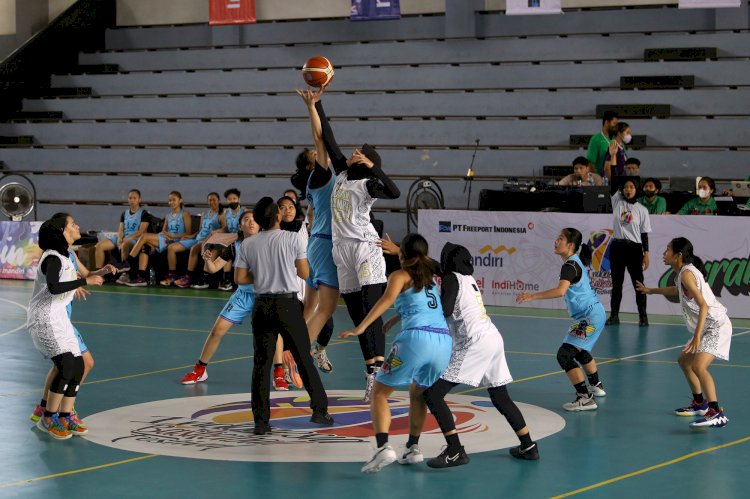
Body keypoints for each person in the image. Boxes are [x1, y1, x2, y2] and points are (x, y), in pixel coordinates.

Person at [314, 87, 401, 402]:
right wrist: (317, 102)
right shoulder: (341, 174)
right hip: (342, 252)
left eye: (359, 152)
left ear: (366, 161)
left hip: (366, 248)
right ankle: (371, 371)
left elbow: (395, 192)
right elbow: (329, 139)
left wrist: (373, 165)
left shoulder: (368, 183)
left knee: (371, 312)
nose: (352, 152)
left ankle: (378, 375)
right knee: (356, 316)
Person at [340, 234, 452, 474]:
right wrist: (396, 318)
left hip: (416, 341)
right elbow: (420, 305)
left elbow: (384, 301)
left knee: (379, 393)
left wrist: (360, 327)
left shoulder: (399, 275)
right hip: (443, 341)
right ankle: (413, 448)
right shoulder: (430, 277)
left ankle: (382, 447)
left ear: (402, 255)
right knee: (418, 393)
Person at [421, 242, 538, 468]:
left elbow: (444, 310)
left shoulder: (450, 279)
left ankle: (455, 450)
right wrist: (408, 254)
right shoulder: (467, 278)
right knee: (500, 396)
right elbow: (438, 268)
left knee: (434, 395)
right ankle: (529, 446)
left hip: (476, 342)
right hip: (493, 337)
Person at [237, 197, 333, 435]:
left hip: (261, 306)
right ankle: (319, 411)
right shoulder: (292, 239)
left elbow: (240, 278)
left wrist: (261, 277)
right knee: (303, 358)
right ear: (278, 216)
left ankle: (261, 422)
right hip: (287, 305)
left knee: (261, 364)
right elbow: (303, 272)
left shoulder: (248, 244)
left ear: (258, 220)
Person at [635, 238, 731, 427]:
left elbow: (703, 305)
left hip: (716, 325)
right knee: (684, 360)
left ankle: (716, 412)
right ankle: (699, 404)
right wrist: (651, 290)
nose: (664, 253)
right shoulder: (682, 274)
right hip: (705, 327)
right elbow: (677, 290)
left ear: (678, 255)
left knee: (699, 367)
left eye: (667, 250)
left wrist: (696, 336)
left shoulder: (687, 273)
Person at [28, 213, 105, 439]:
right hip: (44, 318)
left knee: (79, 365)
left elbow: (73, 278)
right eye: (72, 224)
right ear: (62, 231)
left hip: (59, 317)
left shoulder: (66, 254)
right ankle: (48, 417)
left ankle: (64, 415)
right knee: (66, 365)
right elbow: (53, 287)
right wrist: (84, 281)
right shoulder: (52, 257)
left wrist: (95, 275)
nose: (77, 225)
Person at [516, 228, 607, 412]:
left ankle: (585, 398)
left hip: (589, 317)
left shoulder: (569, 266)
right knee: (579, 350)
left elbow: (560, 291)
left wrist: (532, 297)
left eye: (560, 239)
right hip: (592, 314)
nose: (556, 241)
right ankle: (596, 385)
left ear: (571, 245)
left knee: (564, 355)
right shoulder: (574, 263)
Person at [296, 88, 340, 374]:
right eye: (315, 155)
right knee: (325, 310)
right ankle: (297, 360)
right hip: (324, 244)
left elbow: (320, 140)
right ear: (313, 163)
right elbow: (320, 137)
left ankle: (291, 353)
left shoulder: (314, 180)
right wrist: (313, 106)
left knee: (309, 311)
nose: (318, 152)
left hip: (316, 242)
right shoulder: (321, 176)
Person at [606, 177, 651, 327]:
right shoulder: (617, 202)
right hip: (618, 247)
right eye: (626, 187)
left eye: (632, 187)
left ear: (637, 190)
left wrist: (647, 254)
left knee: (638, 284)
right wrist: (613, 157)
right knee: (616, 284)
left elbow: (644, 234)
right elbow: (613, 179)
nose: (628, 189)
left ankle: (643, 317)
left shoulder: (642, 210)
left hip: (635, 249)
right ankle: (614, 316)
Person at [126, 191, 192, 286]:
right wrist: (163, 233)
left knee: (144, 236)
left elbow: (188, 233)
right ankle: (141, 277)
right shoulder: (168, 216)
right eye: (170, 200)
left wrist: (172, 236)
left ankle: (129, 263)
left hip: (175, 240)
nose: (171, 202)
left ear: (180, 201)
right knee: (145, 244)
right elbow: (163, 231)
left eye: (174, 200)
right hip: (165, 239)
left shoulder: (185, 214)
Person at [93, 188, 150, 284]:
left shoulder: (144, 214)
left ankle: (125, 266)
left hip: (135, 238)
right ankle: (100, 274)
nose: (132, 200)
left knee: (125, 244)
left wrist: (128, 237)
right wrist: (119, 237)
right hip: (123, 237)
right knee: (100, 246)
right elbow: (120, 229)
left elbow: (141, 231)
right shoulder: (124, 213)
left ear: (139, 199)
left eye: (134, 198)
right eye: (130, 198)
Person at [165, 192, 222, 287]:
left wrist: (210, 237)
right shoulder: (204, 214)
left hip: (208, 241)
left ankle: (188, 277)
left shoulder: (222, 215)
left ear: (219, 201)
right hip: (197, 239)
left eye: (214, 200)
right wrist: (190, 236)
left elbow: (224, 230)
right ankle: (172, 275)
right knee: (171, 247)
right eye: (210, 200)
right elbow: (199, 231)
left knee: (194, 248)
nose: (212, 202)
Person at [586, 110, 619, 177]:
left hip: (616, 177)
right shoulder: (595, 139)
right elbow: (590, 163)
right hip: (602, 180)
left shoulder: (616, 138)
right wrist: (597, 180)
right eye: (614, 123)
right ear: (606, 122)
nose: (616, 126)